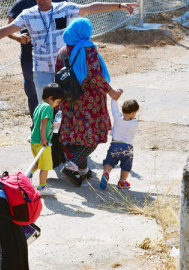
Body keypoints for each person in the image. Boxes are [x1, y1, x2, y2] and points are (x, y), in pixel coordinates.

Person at [0, 0, 136, 103]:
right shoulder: (28, 15)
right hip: (41, 70)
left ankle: (66, 151)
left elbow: (90, 8)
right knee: (46, 110)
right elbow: (6, 29)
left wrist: (119, 5)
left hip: (64, 71)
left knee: (67, 106)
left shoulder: (64, 8)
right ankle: (49, 150)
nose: (41, 1)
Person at [55, 18, 122, 186]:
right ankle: (73, 166)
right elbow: (95, 76)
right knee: (93, 138)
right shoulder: (88, 49)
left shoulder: (63, 51)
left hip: (70, 101)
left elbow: (57, 74)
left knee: (77, 136)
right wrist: (111, 92)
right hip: (89, 102)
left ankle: (83, 170)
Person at [7, 0, 66, 119]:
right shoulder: (22, 4)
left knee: (61, 93)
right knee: (33, 92)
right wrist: (18, 38)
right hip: (30, 57)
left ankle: (58, 130)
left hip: (58, 60)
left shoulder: (58, 3)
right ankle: (37, 126)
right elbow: (7, 28)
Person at [30, 83, 64, 196]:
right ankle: (42, 187)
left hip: (34, 141)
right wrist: (44, 138)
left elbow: (38, 122)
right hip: (42, 143)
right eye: (57, 102)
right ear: (51, 98)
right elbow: (43, 122)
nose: (57, 105)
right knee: (45, 166)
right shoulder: (48, 107)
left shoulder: (40, 106)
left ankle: (26, 176)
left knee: (37, 163)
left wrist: (53, 126)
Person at [100, 98, 139, 190]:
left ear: (122, 110)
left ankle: (106, 173)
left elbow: (114, 108)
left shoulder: (117, 117)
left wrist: (115, 97)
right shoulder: (134, 123)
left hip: (114, 145)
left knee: (109, 161)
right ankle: (122, 181)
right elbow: (135, 132)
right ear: (133, 113)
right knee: (126, 165)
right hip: (127, 148)